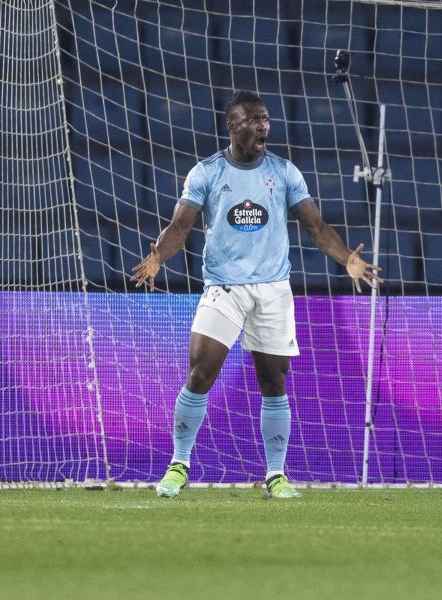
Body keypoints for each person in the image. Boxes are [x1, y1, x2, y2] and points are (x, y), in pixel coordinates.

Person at [131, 90, 381, 498]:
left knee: (274, 381)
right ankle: (178, 466)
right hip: (223, 288)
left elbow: (316, 227)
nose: (263, 125)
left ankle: (276, 475)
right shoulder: (206, 172)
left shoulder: (284, 172)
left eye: (265, 118)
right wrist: (158, 256)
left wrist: (347, 260)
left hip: (273, 290)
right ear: (233, 126)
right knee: (200, 372)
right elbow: (180, 227)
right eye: (254, 120)